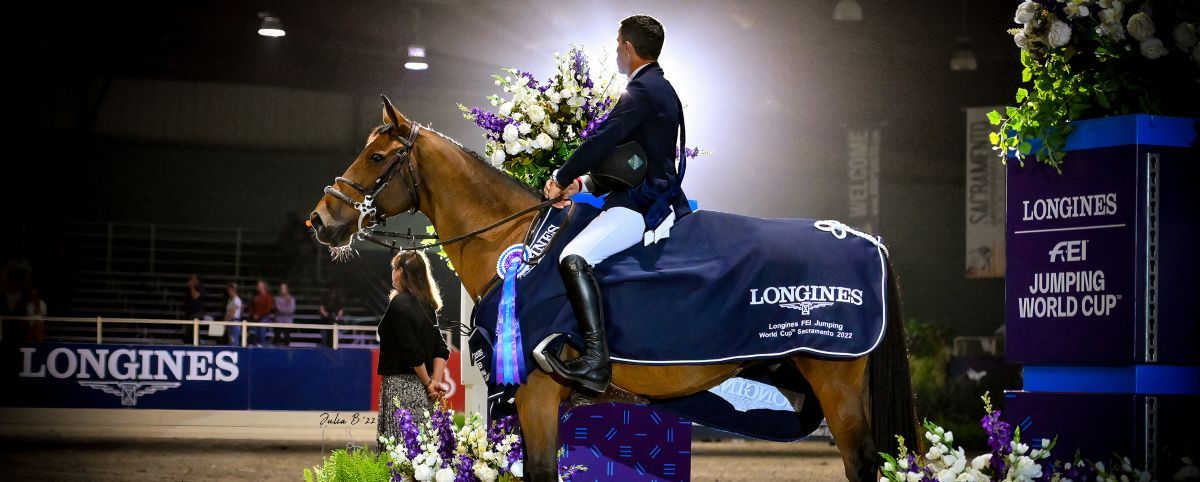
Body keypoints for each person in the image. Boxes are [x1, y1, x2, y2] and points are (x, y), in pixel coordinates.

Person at [540, 15, 691, 393]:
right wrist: (581, 184)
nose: (615, 52)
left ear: (627, 47)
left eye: (616, 45)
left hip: (642, 206)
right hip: (645, 192)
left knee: (573, 257)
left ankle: (595, 360)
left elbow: (602, 142)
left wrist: (560, 176)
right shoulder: (661, 88)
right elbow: (631, 160)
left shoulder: (641, 91)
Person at [376, 250, 449, 446]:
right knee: (422, 449)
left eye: (394, 268)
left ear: (400, 271)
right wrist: (434, 382)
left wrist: (428, 383)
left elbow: (412, 350)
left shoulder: (399, 302)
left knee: (398, 448)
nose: (392, 272)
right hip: (426, 392)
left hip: (400, 386)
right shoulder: (428, 305)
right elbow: (441, 348)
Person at [248, 280, 274, 346]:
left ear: (263, 286)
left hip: (264, 318)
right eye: (258, 285)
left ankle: (262, 347)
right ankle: (255, 347)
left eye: (260, 285)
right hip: (254, 318)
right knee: (254, 334)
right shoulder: (255, 296)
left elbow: (268, 309)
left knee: (262, 334)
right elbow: (250, 306)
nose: (258, 287)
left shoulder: (268, 296)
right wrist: (253, 314)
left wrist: (259, 315)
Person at [182, 274, 206, 343]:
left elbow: (195, 296)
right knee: (188, 333)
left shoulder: (200, 288)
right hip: (189, 313)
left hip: (197, 313)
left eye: (193, 278)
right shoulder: (188, 289)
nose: (191, 280)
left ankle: (195, 344)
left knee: (194, 332)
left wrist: (191, 286)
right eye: (191, 278)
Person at [273, 282, 296, 346]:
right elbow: (278, 309)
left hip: (288, 322)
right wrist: (286, 309)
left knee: (287, 339)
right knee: (277, 339)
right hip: (278, 321)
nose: (283, 290)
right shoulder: (277, 298)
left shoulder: (291, 299)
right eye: (282, 288)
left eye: (284, 288)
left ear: (287, 289)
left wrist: (284, 310)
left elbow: (291, 310)